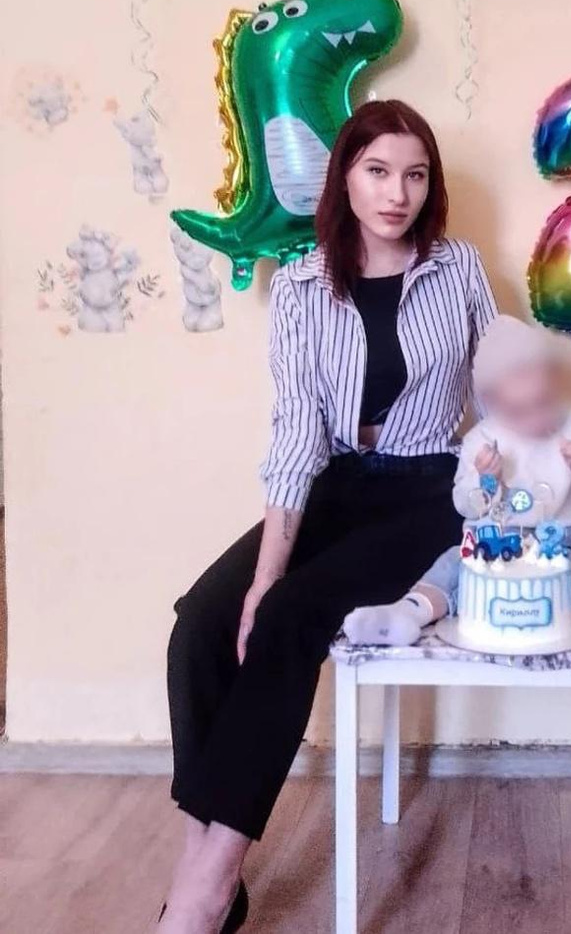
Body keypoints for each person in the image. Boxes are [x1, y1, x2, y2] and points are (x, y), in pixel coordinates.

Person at [160, 100, 496, 934]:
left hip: (430, 490)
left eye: (415, 175)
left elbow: (500, 389)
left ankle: (208, 885)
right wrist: (264, 570)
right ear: (345, 176)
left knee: (290, 617)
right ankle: (203, 848)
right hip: (336, 485)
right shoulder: (302, 285)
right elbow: (297, 433)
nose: (397, 193)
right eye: (378, 171)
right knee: (202, 625)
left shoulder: (457, 268)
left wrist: (539, 491)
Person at [343, 315, 571, 652]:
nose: (535, 420)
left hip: (562, 536)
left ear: (555, 383)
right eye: (519, 411)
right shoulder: (481, 440)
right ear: (491, 402)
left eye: (544, 402)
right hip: (492, 537)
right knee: (452, 565)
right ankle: (405, 614)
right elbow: (464, 504)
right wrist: (486, 481)